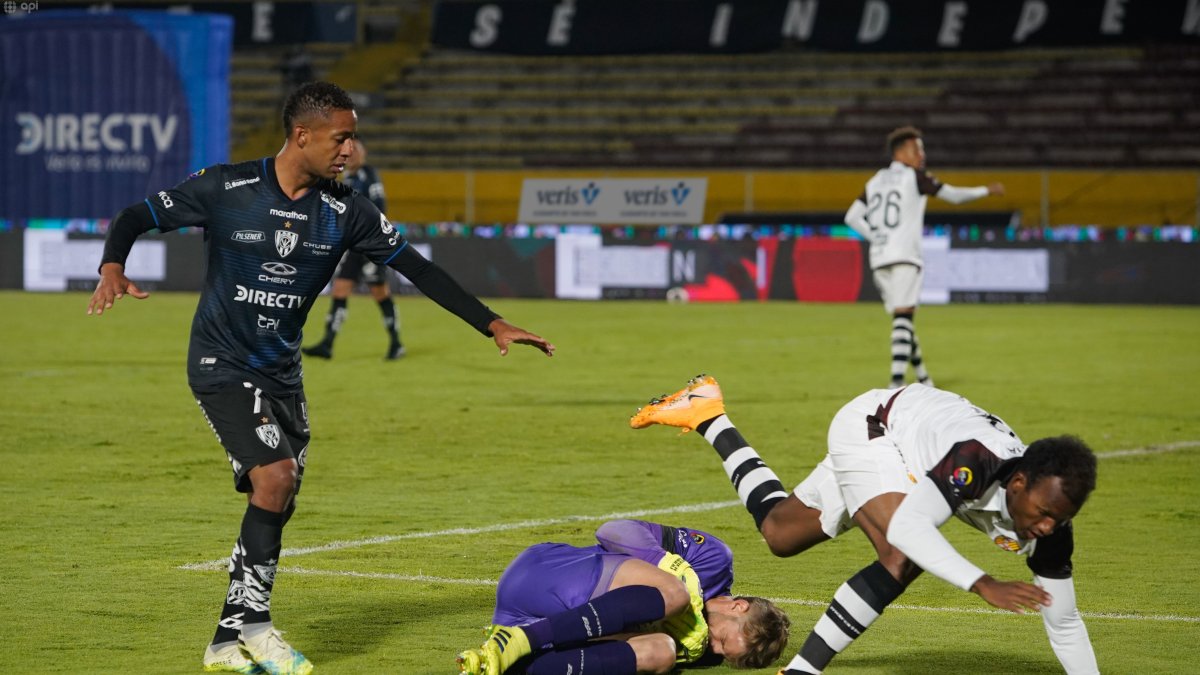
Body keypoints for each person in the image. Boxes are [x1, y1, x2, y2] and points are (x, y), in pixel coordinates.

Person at [87, 81, 555, 675]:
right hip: (221, 363)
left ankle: (226, 643)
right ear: (301, 136)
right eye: (342, 137)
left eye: (353, 137)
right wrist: (112, 267)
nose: (350, 150)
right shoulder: (225, 188)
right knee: (275, 478)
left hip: (283, 374)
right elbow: (136, 215)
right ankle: (257, 628)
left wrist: (490, 322)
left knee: (275, 501)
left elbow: (415, 268)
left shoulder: (346, 211)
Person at [631, 375, 1099, 675]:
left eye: (1059, 518)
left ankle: (706, 412)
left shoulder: (1051, 527)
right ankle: (804, 672)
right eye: (1042, 511)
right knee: (902, 555)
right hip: (878, 427)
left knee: (780, 533)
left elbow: (1065, 623)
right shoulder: (973, 464)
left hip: (913, 446)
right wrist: (982, 583)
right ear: (1017, 483)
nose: (1046, 525)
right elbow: (911, 530)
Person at [456, 518, 791, 675]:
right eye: (720, 640)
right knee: (675, 593)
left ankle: (515, 664)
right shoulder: (714, 563)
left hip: (526, 618)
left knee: (662, 651)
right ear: (737, 606)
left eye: (721, 654)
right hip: (547, 575)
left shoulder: (699, 650)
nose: (712, 651)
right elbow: (612, 531)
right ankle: (522, 641)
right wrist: (666, 562)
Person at [843, 126, 1006, 389]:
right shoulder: (914, 177)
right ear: (902, 151)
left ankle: (923, 377)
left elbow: (851, 217)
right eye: (917, 148)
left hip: (879, 258)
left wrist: (876, 236)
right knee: (903, 318)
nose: (922, 154)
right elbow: (952, 196)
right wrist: (985, 191)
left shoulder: (875, 181)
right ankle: (895, 384)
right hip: (905, 255)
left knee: (903, 321)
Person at [302, 138, 405, 360]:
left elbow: (380, 207)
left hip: (370, 243)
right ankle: (327, 344)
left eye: (355, 152)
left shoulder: (369, 174)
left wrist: (374, 238)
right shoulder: (347, 178)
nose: (350, 156)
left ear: (363, 154)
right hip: (353, 244)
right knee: (339, 289)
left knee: (380, 292)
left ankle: (396, 343)